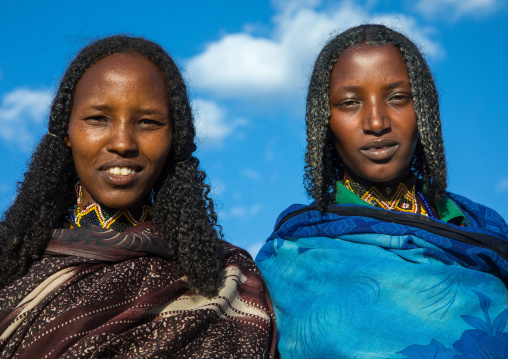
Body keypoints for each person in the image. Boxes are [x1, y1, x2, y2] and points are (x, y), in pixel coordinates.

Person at [0, 36, 277, 358]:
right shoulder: (13, 265)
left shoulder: (221, 276)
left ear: (175, 139)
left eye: (148, 122)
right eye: (98, 118)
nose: (122, 142)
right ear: (66, 133)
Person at [256, 24, 508, 358]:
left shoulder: (479, 227)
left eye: (397, 98)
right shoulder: (293, 255)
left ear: (424, 112)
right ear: (324, 123)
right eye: (349, 103)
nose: (376, 122)